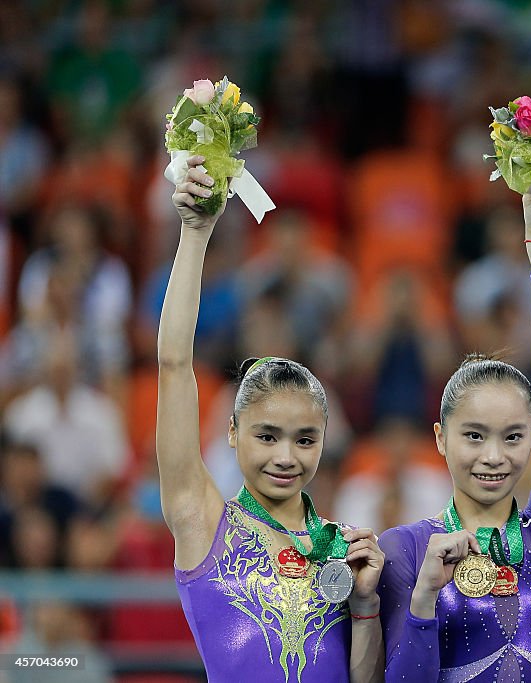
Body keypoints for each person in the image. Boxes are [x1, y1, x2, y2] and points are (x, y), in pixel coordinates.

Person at [158, 155, 384, 682]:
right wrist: (196, 232)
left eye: (305, 439)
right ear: (232, 434)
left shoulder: (344, 547)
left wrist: (368, 605)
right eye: (267, 436)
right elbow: (173, 366)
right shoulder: (201, 521)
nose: (286, 457)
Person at [376, 185, 531, 682]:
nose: (494, 456)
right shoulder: (405, 549)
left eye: (513, 437)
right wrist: (424, 595)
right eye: (474, 436)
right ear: (439, 438)